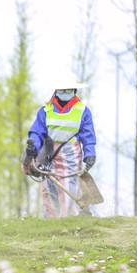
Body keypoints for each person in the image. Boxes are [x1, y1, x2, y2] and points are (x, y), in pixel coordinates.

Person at [23, 75, 97, 217]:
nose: (64, 92)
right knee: (48, 190)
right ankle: (51, 223)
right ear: (56, 91)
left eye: (67, 90)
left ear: (74, 90)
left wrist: (90, 153)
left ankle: (70, 220)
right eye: (61, 90)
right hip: (49, 155)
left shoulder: (83, 111)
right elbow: (37, 132)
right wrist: (33, 147)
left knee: (69, 189)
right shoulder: (45, 110)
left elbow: (88, 136)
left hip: (71, 157)